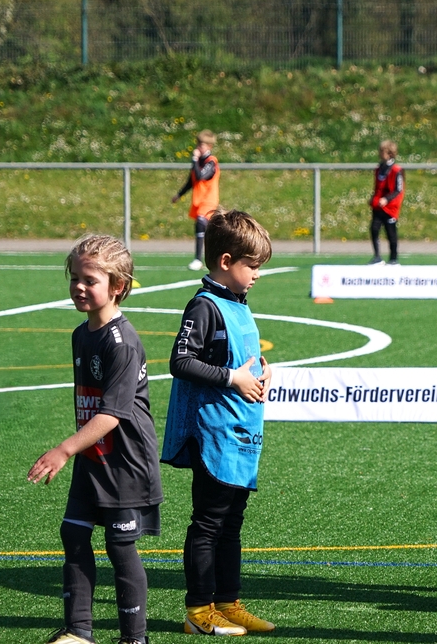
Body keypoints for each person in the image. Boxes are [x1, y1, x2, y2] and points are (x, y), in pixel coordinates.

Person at [28, 235, 162, 644]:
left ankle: (134, 638)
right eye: (75, 278)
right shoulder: (81, 333)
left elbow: (112, 414)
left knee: (119, 546)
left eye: (90, 280)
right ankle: (78, 631)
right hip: (94, 458)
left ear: (118, 286)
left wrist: (64, 449)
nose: (79, 287)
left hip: (125, 463)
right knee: (73, 534)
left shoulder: (122, 343)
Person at [161, 209, 276, 636]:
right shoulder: (204, 305)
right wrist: (232, 378)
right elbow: (180, 361)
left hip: (239, 432)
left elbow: (238, 359)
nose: (257, 275)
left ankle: (227, 602)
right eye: (252, 266)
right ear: (226, 262)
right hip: (212, 433)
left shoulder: (238, 302)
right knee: (208, 522)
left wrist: (261, 372)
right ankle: (198, 610)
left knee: (232, 523)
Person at [172, 129, 221, 271]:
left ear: (209, 146)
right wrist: (179, 195)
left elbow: (200, 176)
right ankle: (211, 258)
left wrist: (194, 160)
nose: (199, 147)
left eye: (202, 145)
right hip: (198, 201)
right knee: (209, 229)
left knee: (201, 223)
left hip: (208, 200)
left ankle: (198, 259)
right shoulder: (198, 162)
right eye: (198, 144)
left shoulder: (211, 162)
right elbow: (191, 181)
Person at [369, 139, 404, 265]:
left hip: (390, 207)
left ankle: (393, 259)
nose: (380, 154)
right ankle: (377, 257)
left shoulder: (396, 170)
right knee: (374, 229)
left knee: (391, 233)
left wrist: (387, 199)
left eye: (382, 151)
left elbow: (398, 189)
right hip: (378, 206)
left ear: (390, 153)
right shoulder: (379, 169)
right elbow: (378, 187)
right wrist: (374, 198)